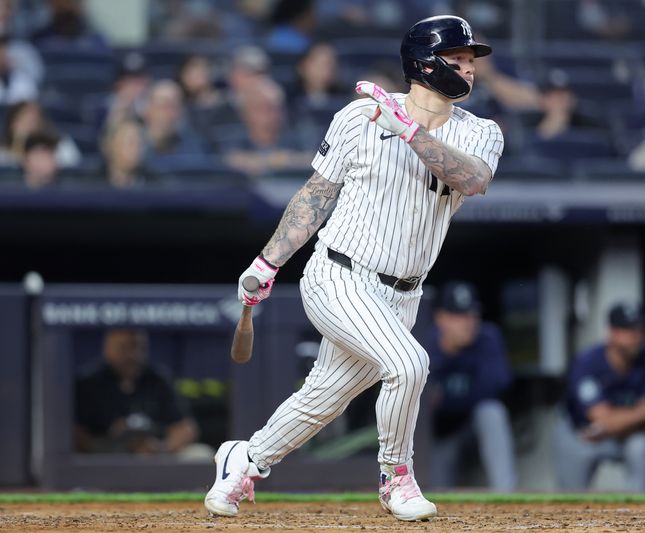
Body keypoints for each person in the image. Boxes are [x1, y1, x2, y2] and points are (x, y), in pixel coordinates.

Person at [204, 15, 503, 521]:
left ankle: (244, 459)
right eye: (459, 59)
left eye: (472, 61)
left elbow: (471, 180)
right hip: (338, 275)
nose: (470, 70)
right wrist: (267, 262)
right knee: (408, 365)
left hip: (403, 294)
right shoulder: (357, 118)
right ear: (426, 64)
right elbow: (315, 197)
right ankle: (396, 477)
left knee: (322, 399)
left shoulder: (482, 132)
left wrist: (408, 130)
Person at [554, 302, 645, 492]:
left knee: (640, 445)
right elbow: (604, 419)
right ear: (612, 332)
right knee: (570, 500)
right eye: (627, 329)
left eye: (639, 329)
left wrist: (623, 421)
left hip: (625, 435)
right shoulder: (588, 362)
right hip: (581, 434)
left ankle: (638, 511)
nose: (635, 336)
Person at [428, 281, 516, 493]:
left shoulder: (488, 338)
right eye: (458, 316)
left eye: (471, 315)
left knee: (492, 412)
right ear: (441, 319)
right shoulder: (422, 343)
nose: (468, 323)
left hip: (472, 425)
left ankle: (506, 493)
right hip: (439, 433)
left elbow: (496, 386)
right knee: (437, 492)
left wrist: (445, 399)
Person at [74, 329, 206, 457]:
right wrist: (112, 448)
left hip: (156, 454)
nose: (132, 354)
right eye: (124, 347)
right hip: (105, 456)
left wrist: (162, 448)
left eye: (138, 347)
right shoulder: (89, 382)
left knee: (199, 454)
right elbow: (75, 433)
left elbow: (186, 428)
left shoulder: (158, 378)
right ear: (107, 348)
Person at [140, 80, 206, 166]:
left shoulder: (193, 143)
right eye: (164, 106)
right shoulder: (135, 144)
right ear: (148, 110)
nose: (170, 114)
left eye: (175, 106)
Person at [0, 100, 82, 168]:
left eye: (33, 121)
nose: (29, 126)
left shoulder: (61, 145)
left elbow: (73, 171)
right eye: (23, 121)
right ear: (11, 124)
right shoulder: (3, 151)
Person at [100, 118, 155, 188]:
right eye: (130, 143)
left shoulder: (156, 185)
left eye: (140, 143)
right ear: (110, 145)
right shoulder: (91, 184)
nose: (137, 148)